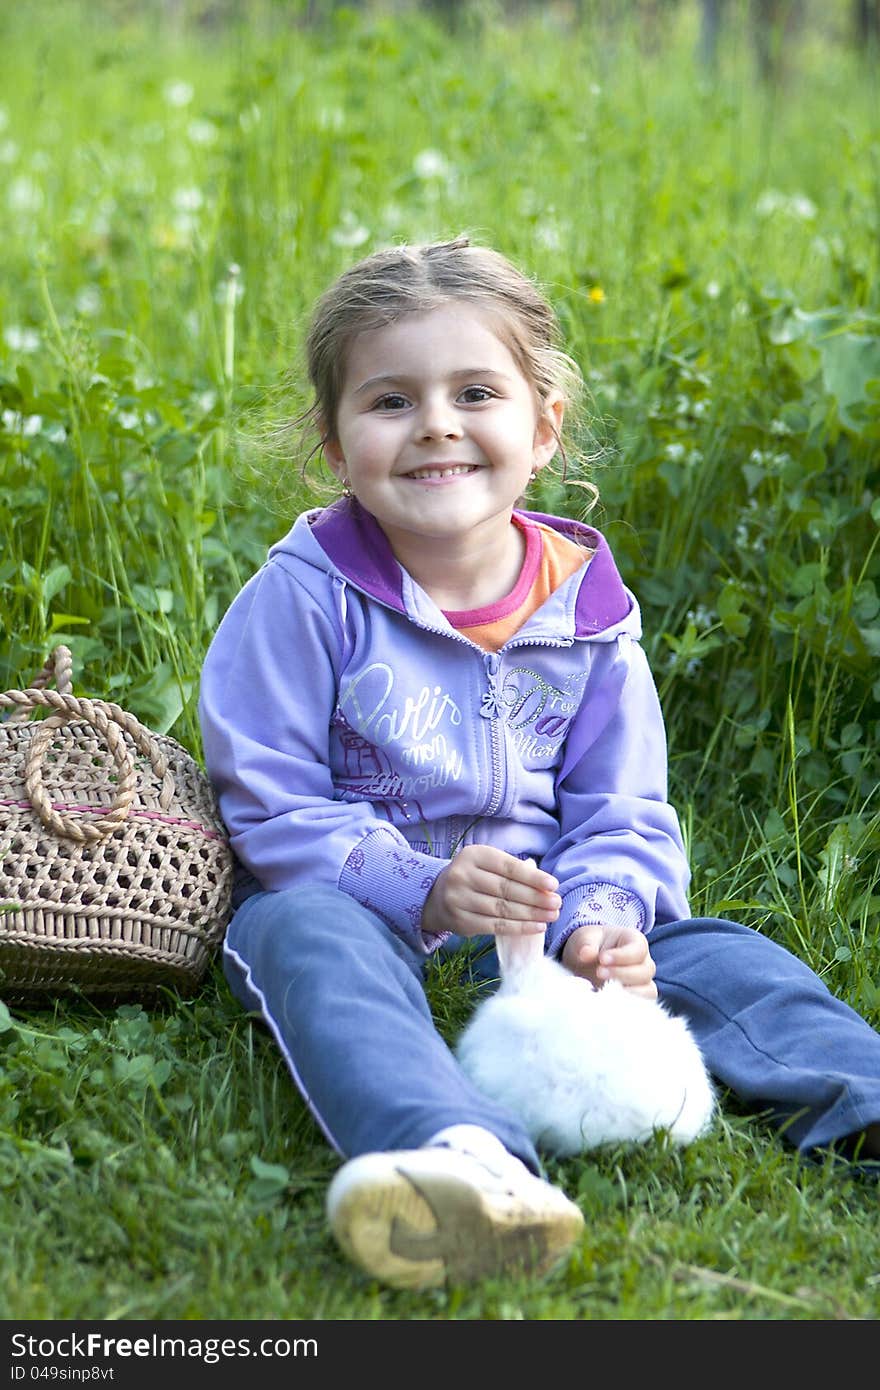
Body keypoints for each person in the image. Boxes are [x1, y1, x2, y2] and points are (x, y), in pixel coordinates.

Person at [198, 236, 880, 1291]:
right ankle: (456, 1156)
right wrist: (420, 884)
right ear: (334, 443)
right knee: (301, 939)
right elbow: (269, 800)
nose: (435, 424)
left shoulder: (590, 616)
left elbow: (622, 805)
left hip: (541, 919)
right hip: (360, 905)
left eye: (475, 391)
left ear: (542, 424)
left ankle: (864, 1101)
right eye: (389, 401)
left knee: (723, 955)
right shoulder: (303, 598)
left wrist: (602, 917)